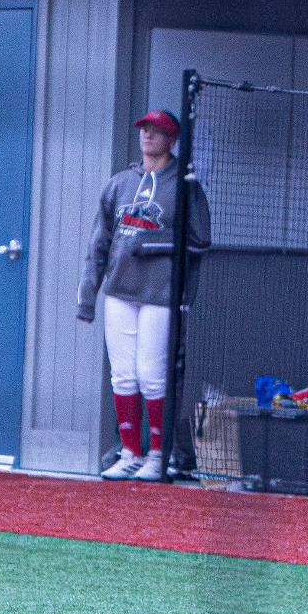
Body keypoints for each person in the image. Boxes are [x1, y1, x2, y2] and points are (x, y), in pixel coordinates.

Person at [77, 110, 211, 482]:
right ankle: (130, 452)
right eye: (145, 129)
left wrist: (149, 245)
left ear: (173, 139)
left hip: (161, 293)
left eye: (158, 131)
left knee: (152, 375)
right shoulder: (120, 183)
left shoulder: (186, 186)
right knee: (122, 375)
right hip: (118, 290)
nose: (149, 135)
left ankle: (158, 455)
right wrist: (87, 297)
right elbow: (98, 243)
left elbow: (200, 241)